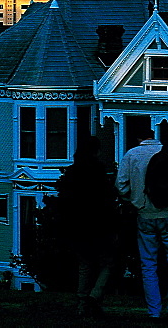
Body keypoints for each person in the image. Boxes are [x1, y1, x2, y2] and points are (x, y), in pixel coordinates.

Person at [117, 126, 168, 322]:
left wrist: (135, 201)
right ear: (154, 134)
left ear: (138, 137)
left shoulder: (131, 155)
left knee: (148, 263)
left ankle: (154, 311)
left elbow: (121, 185)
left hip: (145, 213)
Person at [56, 135, 118, 319]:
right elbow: (107, 197)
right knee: (108, 262)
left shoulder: (72, 172)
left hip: (77, 225)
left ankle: (83, 302)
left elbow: (65, 200)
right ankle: (94, 295)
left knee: (85, 263)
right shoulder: (97, 170)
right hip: (98, 224)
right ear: (95, 151)